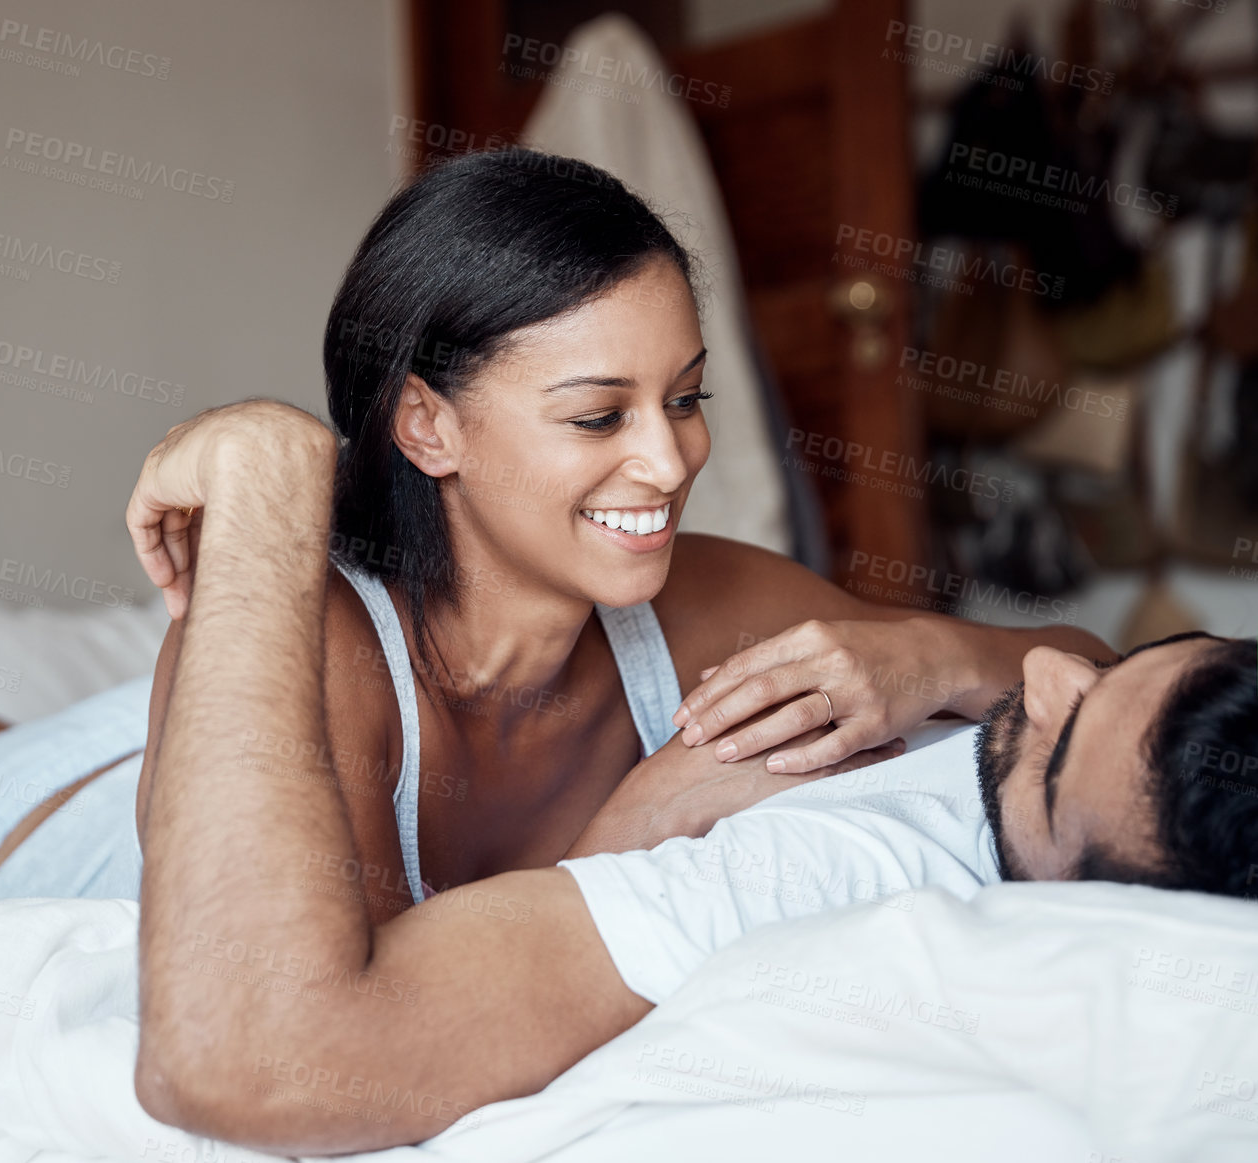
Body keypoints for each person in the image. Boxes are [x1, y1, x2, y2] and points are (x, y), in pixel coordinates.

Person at [0, 147, 1108, 928]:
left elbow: (1091, 671)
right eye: (595, 413)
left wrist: (921, 653)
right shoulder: (318, 637)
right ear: (427, 427)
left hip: (171, 747)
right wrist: (625, 835)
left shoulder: (692, 602)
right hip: (11, 849)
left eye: (683, 398)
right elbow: (347, 992)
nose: (670, 458)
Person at [124, 397, 1258, 1155]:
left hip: (141, 788)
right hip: (165, 728)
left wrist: (265, 487)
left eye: (680, 395)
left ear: (1093, 906)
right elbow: (1092, 676)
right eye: (600, 408)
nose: (1052, 669)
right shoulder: (1134, 769)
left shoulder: (822, 858)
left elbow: (255, 1052)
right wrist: (941, 650)